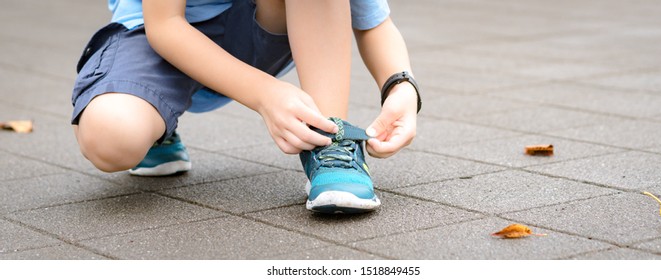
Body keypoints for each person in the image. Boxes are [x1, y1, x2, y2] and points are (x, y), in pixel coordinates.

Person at [71, 0, 421, 214]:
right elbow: (164, 25)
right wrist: (264, 93)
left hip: (255, 26)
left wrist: (401, 87)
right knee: (110, 136)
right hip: (151, 39)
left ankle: (329, 143)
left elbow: (373, 20)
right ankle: (156, 122)